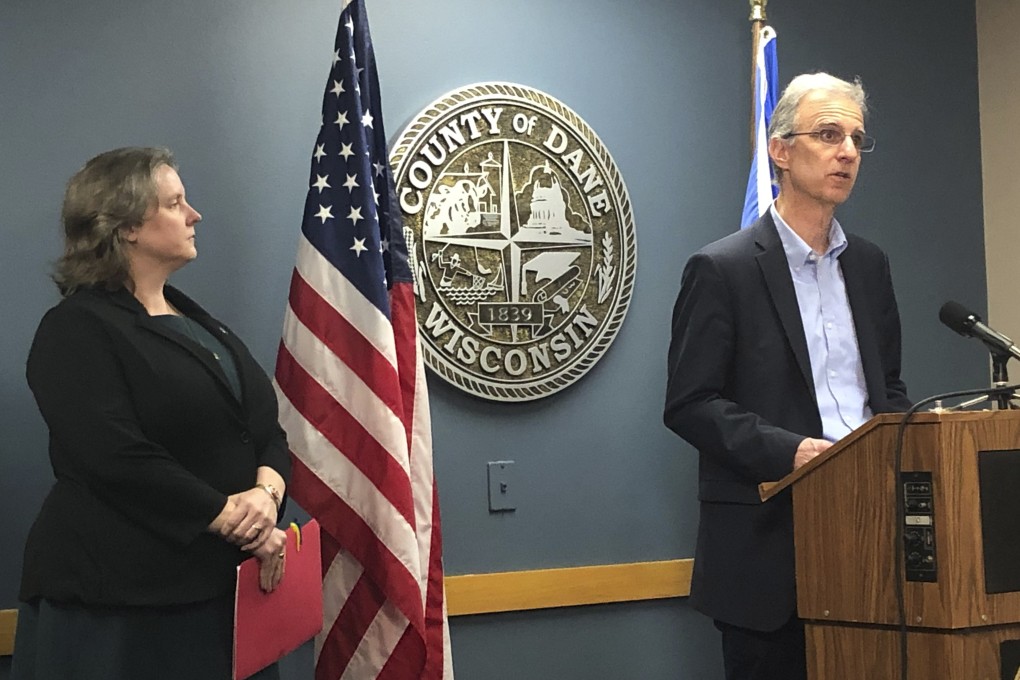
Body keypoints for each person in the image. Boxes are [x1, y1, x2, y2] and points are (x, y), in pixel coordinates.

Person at [663, 73, 911, 680]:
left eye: (856, 138)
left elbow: (890, 389)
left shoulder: (870, 265)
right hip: (767, 552)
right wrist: (793, 452)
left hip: (871, 542)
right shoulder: (722, 269)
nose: (847, 151)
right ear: (780, 150)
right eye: (828, 134)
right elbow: (690, 402)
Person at [13, 147, 291, 680]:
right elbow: (113, 455)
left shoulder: (202, 325)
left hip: (223, 594)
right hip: (120, 607)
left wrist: (266, 496)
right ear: (128, 226)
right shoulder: (76, 327)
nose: (195, 215)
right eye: (176, 203)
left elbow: (263, 432)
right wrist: (238, 521)